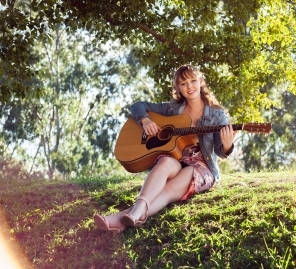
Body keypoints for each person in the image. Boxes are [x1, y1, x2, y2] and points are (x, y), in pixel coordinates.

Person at [94, 64, 236, 234]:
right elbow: (137, 106)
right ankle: (135, 212)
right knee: (164, 163)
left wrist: (227, 144)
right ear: (178, 88)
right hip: (177, 160)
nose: (189, 86)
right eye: (183, 83)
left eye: (193, 80)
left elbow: (220, 151)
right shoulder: (172, 109)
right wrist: (146, 121)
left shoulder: (217, 114)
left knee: (167, 190)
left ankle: (122, 218)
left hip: (201, 166)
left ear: (201, 81)